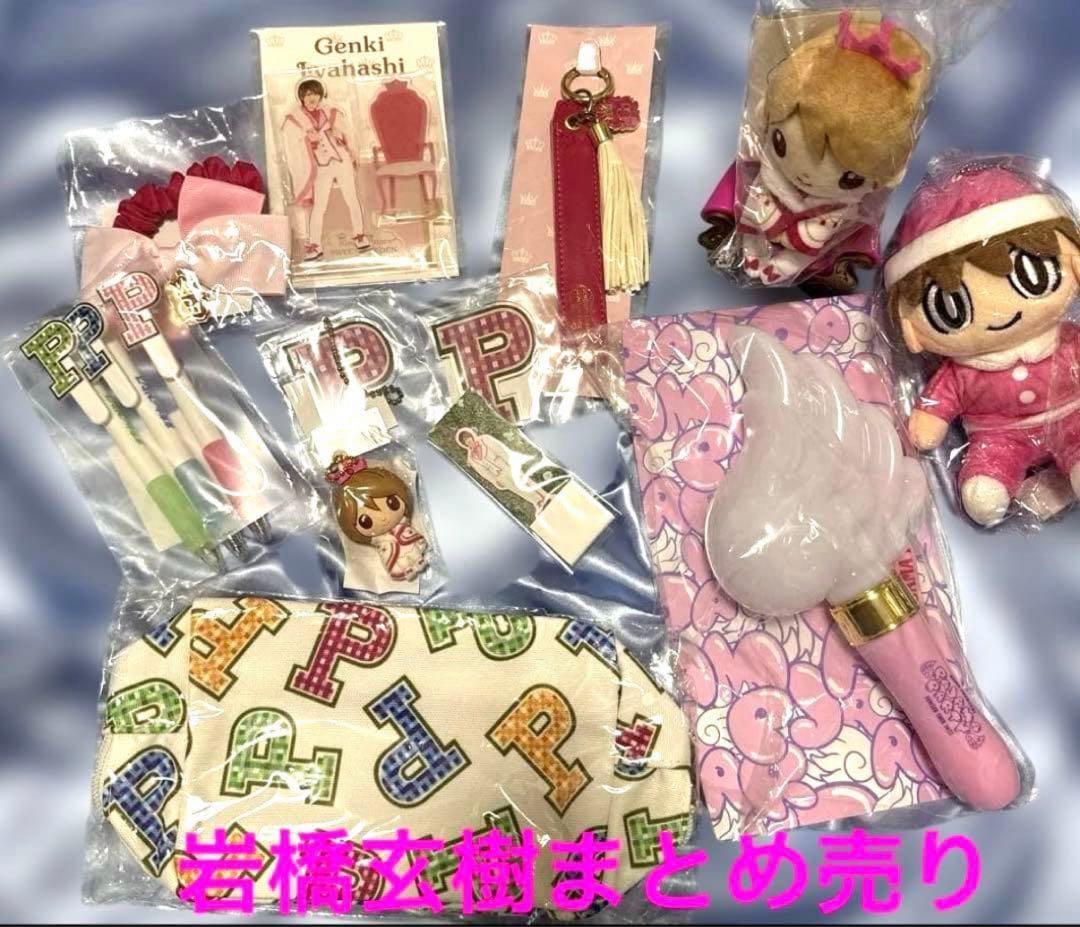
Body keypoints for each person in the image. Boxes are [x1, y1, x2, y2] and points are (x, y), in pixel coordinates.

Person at [887, 159, 1080, 526]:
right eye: (951, 308)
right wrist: (929, 419)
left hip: (1073, 416)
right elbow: (939, 404)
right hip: (997, 435)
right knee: (984, 490)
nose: (998, 313)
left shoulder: (1068, 340)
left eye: (1031, 276)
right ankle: (991, 482)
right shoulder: (960, 371)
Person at [281, 78, 371, 261]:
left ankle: (359, 235)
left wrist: (341, 136)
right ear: (301, 97)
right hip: (319, 166)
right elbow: (291, 147)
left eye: (315, 93)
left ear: (321, 95)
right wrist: (307, 139)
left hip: (340, 159)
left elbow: (348, 134)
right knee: (319, 206)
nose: (311, 97)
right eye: (307, 94)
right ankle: (315, 245)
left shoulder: (331, 112)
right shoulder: (294, 120)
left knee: (352, 198)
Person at [326, 454, 428, 580]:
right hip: (396, 558)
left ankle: (418, 561)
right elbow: (388, 557)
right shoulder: (382, 543)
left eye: (392, 503)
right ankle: (406, 570)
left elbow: (416, 538)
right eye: (366, 522)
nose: (383, 518)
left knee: (415, 553)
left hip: (413, 549)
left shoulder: (403, 526)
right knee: (400, 563)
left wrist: (419, 541)